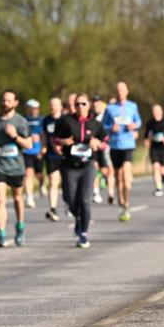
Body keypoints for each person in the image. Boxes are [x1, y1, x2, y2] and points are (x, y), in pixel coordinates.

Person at [55, 93, 104, 248]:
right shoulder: (66, 121)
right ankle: (78, 218)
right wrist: (64, 142)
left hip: (88, 165)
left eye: (83, 104)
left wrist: (98, 144)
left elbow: (105, 140)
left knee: (85, 200)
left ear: (89, 105)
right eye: (77, 104)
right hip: (70, 165)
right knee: (70, 199)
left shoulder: (95, 123)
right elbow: (55, 139)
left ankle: (83, 233)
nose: (80, 107)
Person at [0, 89, 33, 246]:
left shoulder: (20, 121)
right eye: (3, 100)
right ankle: (1, 234)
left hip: (16, 166)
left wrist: (15, 136)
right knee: (0, 199)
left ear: (15, 103)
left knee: (17, 198)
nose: (5, 103)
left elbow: (29, 144)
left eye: (8, 100)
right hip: (0, 165)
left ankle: (20, 226)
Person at [101, 81, 141, 221]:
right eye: (118, 90)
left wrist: (134, 125)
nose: (120, 93)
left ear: (127, 91)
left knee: (125, 173)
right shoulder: (110, 108)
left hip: (128, 144)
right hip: (115, 145)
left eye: (122, 90)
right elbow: (103, 125)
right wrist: (110, 128)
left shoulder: (132, 106)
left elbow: (138, 121)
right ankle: (122, 201)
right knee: (118, 176)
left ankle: (127, 204)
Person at [42, 97, 66, 220]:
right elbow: (44, 135)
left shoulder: (65, 119)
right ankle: (53, 209)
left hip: (65, 155)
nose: (53, 107)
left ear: (60, 107)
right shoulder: (46, 120)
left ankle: (69, 203)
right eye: (51, 105)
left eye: (55, 105)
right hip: (51, 155)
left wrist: (63, 146)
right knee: (53, 180)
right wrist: (43, 146)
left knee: (67, 182)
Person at [143, 103, 164, 196]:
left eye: (157, 111)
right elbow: (146, 135)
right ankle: (159, 188)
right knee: (155, 167)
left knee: (163, 169)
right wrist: (146, 142)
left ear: (161, 112)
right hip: (154, 148)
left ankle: (163, 176)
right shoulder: (150, 122)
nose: (156, 113)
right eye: (154, 111)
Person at [22, 98, 45, 207]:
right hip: (27, 150)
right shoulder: (23, 120)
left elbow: (45, 135)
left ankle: (41, 184)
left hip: (38, 150)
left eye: (36, 108)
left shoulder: (42, 120)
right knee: (28, 174)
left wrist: (43, 148)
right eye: (32, 108)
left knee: (39, 174)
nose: (34, 111)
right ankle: (29, 197)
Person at [92, 96, 115, 204]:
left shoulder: (108, 114)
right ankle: (96, 193)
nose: (95, 105)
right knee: (94, 168)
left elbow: (114, 127)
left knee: (107, 170)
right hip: (94, 146)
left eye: (97, 103)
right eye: (94, 103)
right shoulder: (91, 116)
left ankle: (111, 193)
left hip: (106, 146)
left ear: (101, 103)